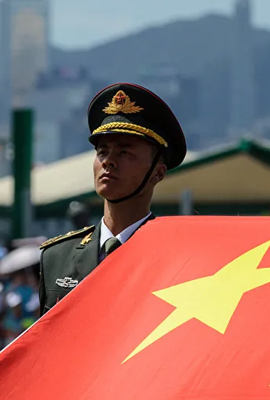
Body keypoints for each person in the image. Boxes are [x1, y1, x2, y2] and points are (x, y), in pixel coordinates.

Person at [38, 83, 187, 316]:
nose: (108, 161)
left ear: (158, 172)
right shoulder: (57, 258)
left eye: (125, 152)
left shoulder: (179, 258)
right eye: (102, 151)